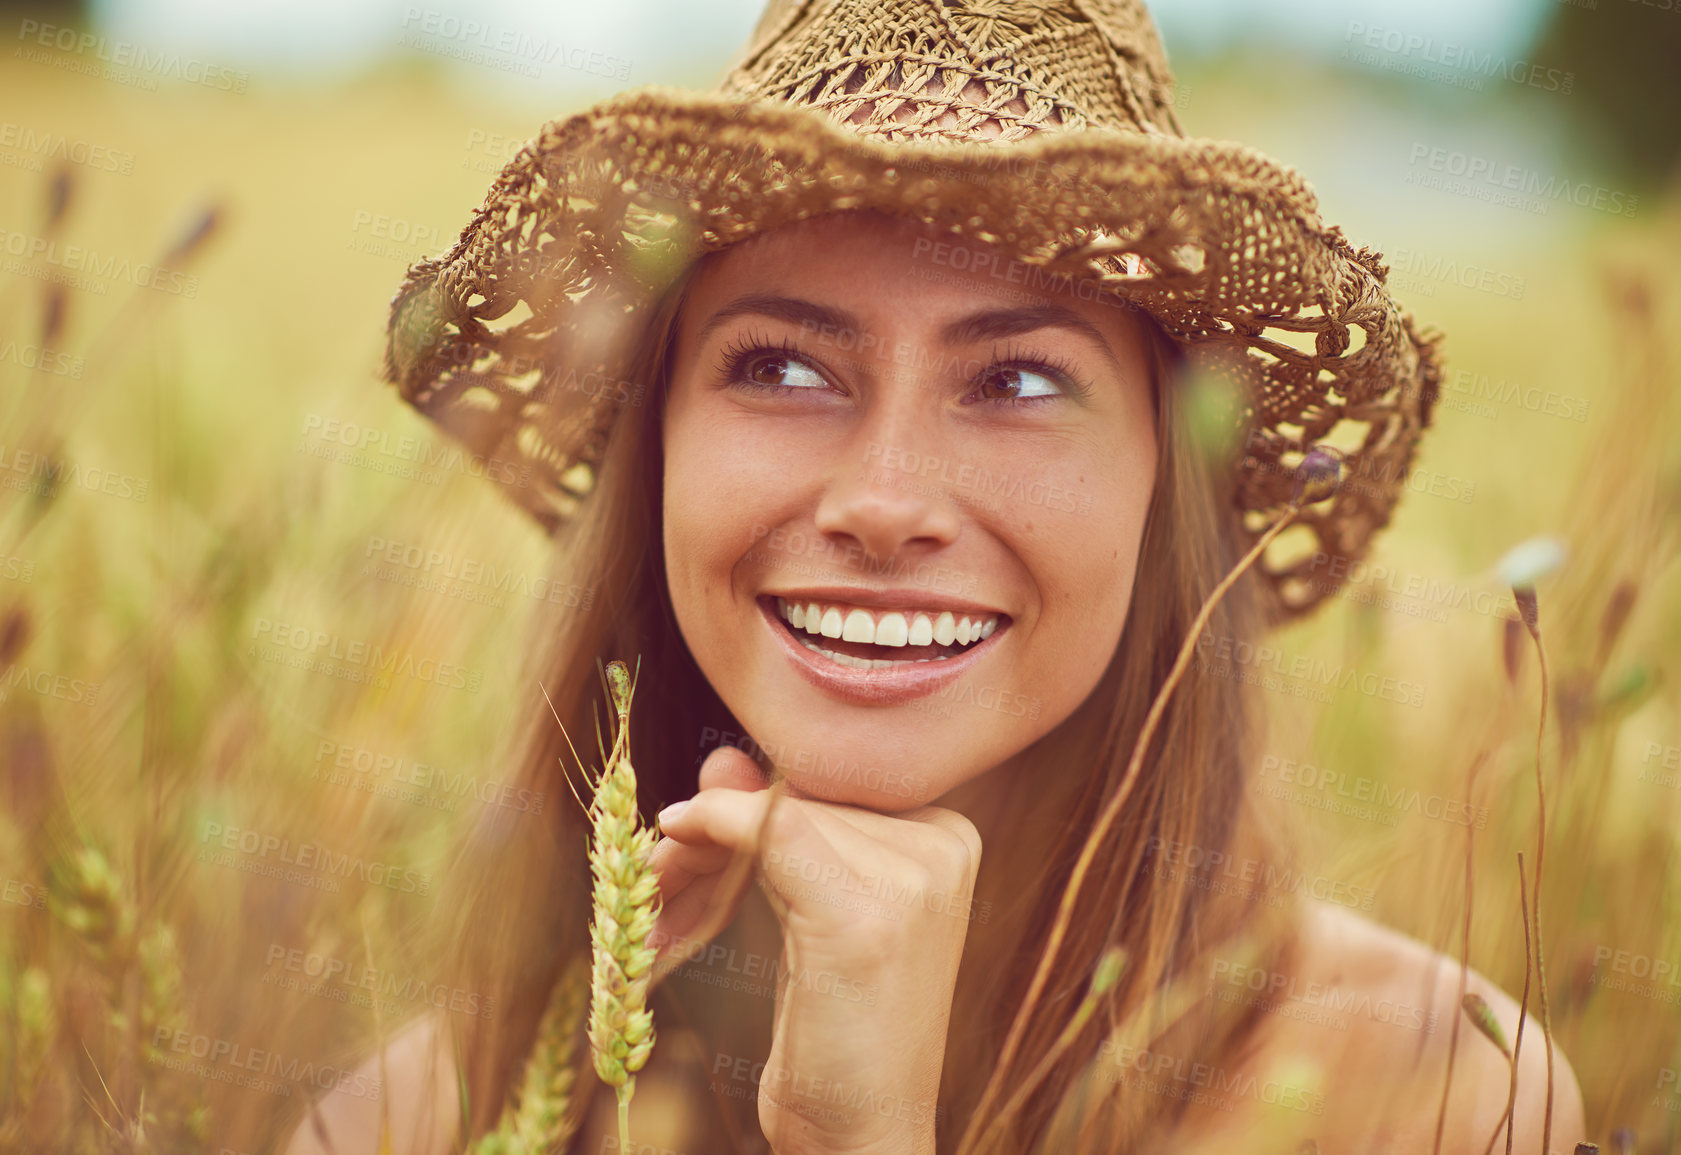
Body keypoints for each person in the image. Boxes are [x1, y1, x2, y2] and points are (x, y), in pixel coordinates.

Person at [288, 1, 1586, 1152]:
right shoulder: (411, 1127)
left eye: (1018, 380)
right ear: (660, 448)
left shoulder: (1439, 1099)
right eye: (782, 368)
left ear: (1162, 479)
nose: (884, 504)